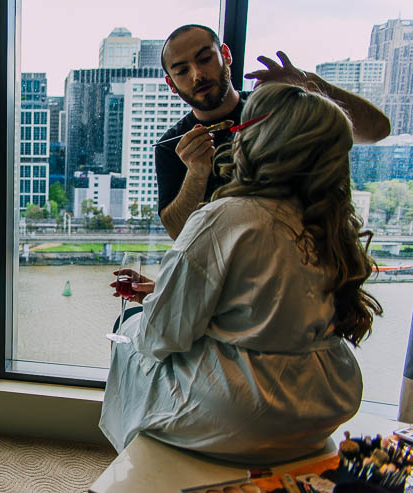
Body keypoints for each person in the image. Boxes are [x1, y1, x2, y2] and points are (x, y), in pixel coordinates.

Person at [100, 83, 383, 463]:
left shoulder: (225, 217)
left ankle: (138, 460)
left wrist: (155, 302)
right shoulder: (333, 225)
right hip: (324, 406)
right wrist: (165, 291)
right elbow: (270, 310)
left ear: (257, 141)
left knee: (129, 330)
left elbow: (162, 336)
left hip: (240, 415)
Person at [156, 25, 391, 240]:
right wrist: (196, 173)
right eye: (182, 71)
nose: (197, 75)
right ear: (171, 84)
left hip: (304, 258)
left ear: (225, 55)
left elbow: (377, 130)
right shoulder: (172, 144)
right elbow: (179, 234)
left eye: (205, 59)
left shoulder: (279, 108)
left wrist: (308, 84)